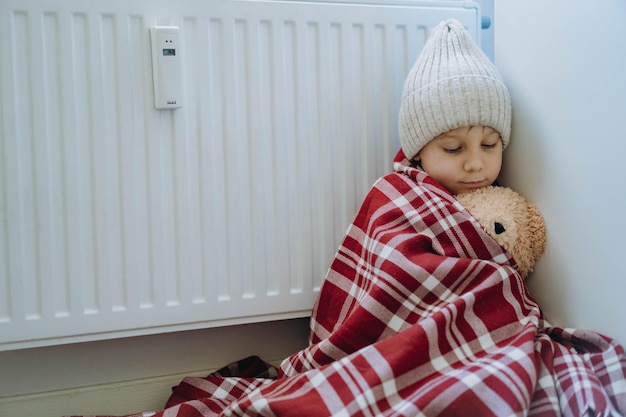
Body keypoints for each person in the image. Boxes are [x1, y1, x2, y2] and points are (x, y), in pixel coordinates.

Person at [398, 18, 511, 195]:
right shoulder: (399, 202)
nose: (475, 165)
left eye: (489, 145)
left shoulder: (500, 201)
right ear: (418, 150)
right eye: (453, 148)